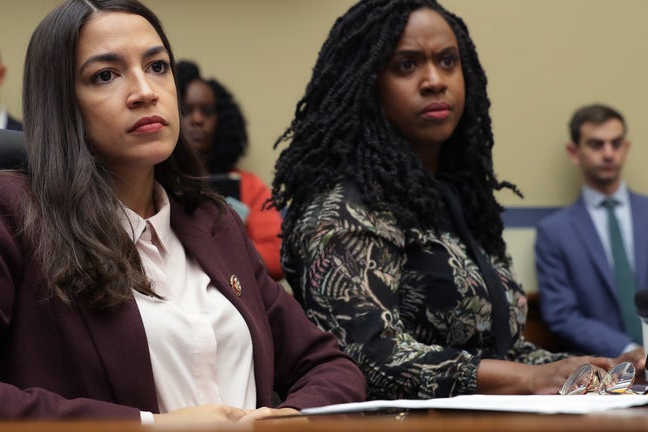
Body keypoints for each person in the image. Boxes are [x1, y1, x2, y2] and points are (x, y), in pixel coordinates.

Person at [0, 0, 365, 422]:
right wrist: (148, 425)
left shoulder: (211, 222)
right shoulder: (9, 210)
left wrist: (292, 417)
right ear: (62, 104)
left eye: (157, 66)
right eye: (106, 75)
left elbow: (328, 365)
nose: (144, 91)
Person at [270, 0, 643, 401]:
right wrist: (527, 379)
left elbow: (502, 354)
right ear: (367, 82)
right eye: (406, 65)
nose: (434, 80)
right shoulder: (341, 209)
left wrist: (603, 371)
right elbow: (368, 357)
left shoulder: (458, 202)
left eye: (448, 61)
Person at [535, 104, 648, 359]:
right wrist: (629, 351)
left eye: (616, 143)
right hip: (603, 369)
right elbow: (562, 314)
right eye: (597, 145)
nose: (608, 154)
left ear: (626, 148)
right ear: (574, 152)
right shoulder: (554, 232)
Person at [176, 60, 284, 280]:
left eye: (207, 112)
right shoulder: (148, 183)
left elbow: (276, 257)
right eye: (186, 110)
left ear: (222, 120)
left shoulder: (248, 185)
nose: (197, 119)